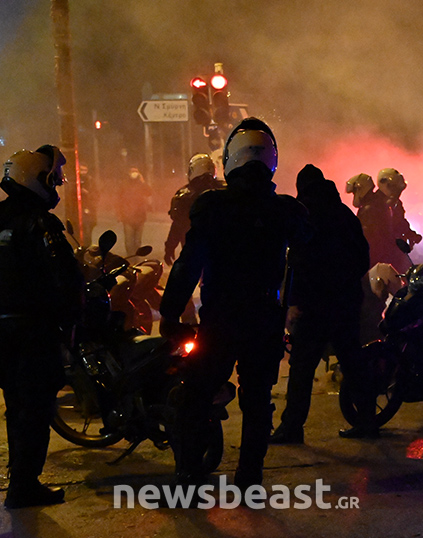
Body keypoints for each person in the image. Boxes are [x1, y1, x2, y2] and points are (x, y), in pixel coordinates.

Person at [158, 118, 309, 491]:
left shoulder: (213, 207)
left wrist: (170, 312)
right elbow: (306, 262)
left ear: (231, 158)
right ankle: (249, 477)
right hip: (264, 320)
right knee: (257, 401)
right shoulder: (285, 211)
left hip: (221, 319)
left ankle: (190, 475)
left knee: (196, 396)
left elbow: (189, 264)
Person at [0, 145, 83, 508]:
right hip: (36, 330)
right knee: (37, 408)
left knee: (16, 406)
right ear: (36, 180)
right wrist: (71, 321)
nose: (55, 186)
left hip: (3, 328)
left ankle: (19, 477)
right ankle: (24, 485)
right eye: (52, 179)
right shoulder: (40, 224)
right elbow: (67, 279)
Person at [270, 164, 373, 443]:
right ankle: (367, 420)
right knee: (352, 361)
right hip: (345, 302)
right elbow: (362, 258)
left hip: (314, 306)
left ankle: (292, 427)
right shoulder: (345, 215)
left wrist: (295, 302)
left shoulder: (305, 216)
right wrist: (345, 283)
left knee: (302, 368)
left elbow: (298, 263)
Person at [164, 154, 223, 323]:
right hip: (219, 252)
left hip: (193, 252)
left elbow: (177, 225)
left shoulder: (183, 196)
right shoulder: (225, 191)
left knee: (183, 284)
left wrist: (170, 247)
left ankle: (188, 322)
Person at [346, 172, 408, 272]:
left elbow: (367, 236)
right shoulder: (378, 204)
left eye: (355, 192)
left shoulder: (369, 208)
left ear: (360, 189)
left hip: (375, 256)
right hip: (385, 255)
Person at [377, 168, 422, 251]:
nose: (397, 192)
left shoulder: (396, 203)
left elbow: (400, 222)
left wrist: (411, 234)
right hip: (380, 249)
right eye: (394, 187)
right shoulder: (376, 204)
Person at [117, 167, 152, 255]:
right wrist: (119, 214)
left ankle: (136, 257)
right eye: (132, 172)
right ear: (129, 173)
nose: (134, 173)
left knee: (137, 241)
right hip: (127, 217)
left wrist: (143, 181)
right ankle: (130, 257)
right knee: (129, 241)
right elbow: (119, 200)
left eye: (136, 172)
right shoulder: (124, 184)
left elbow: (149, 192)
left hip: (140, 216)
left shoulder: (141, 184)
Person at [79, 164, 98, 246]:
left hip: (89, 209)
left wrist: (87, 193)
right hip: (78, 210)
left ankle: (87, 246)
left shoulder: (91, 181)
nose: (83, 172)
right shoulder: (75, 181)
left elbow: (96, 195)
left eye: (85, 170)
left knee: (88, 231)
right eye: (81, 170)